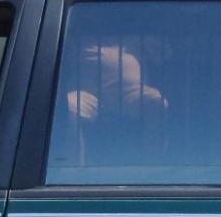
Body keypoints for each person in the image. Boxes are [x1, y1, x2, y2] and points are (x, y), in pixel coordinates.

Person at [57, 33, 168, 171]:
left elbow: (165, 52)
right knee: (69, 106)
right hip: (88, 94)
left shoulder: (139, 37)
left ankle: (152, 167)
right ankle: (73, 171)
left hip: (130, 92)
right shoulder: (76, 36)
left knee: (156, 101)